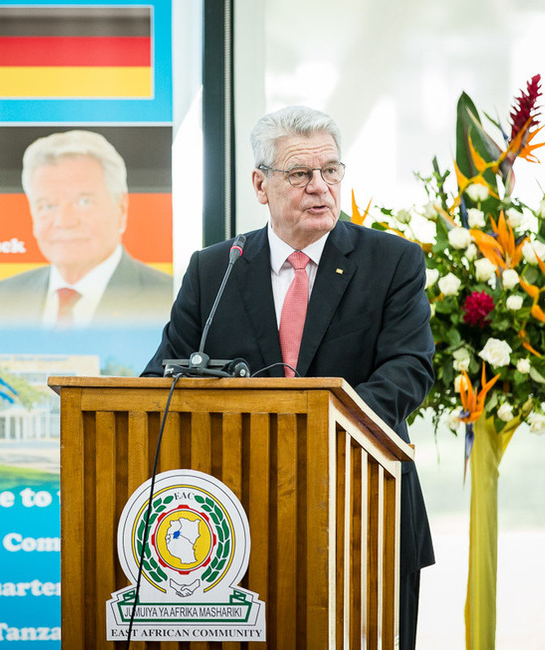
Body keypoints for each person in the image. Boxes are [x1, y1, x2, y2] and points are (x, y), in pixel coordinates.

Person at [142, 106, 434, 649]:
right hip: (234, 517)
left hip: (362, 506)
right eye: (300, 174)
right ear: (261, 184)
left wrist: (320, 429)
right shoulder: (216, 267)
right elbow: (163, 376)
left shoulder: (391, 261)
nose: (319, 187)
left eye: (331, 170)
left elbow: (408, 369)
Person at [0, 130, 172, 328]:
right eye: (47, 206)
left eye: (84, 202)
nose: (64, 221)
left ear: (121, 207)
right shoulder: (8, 294)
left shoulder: (168, 295)